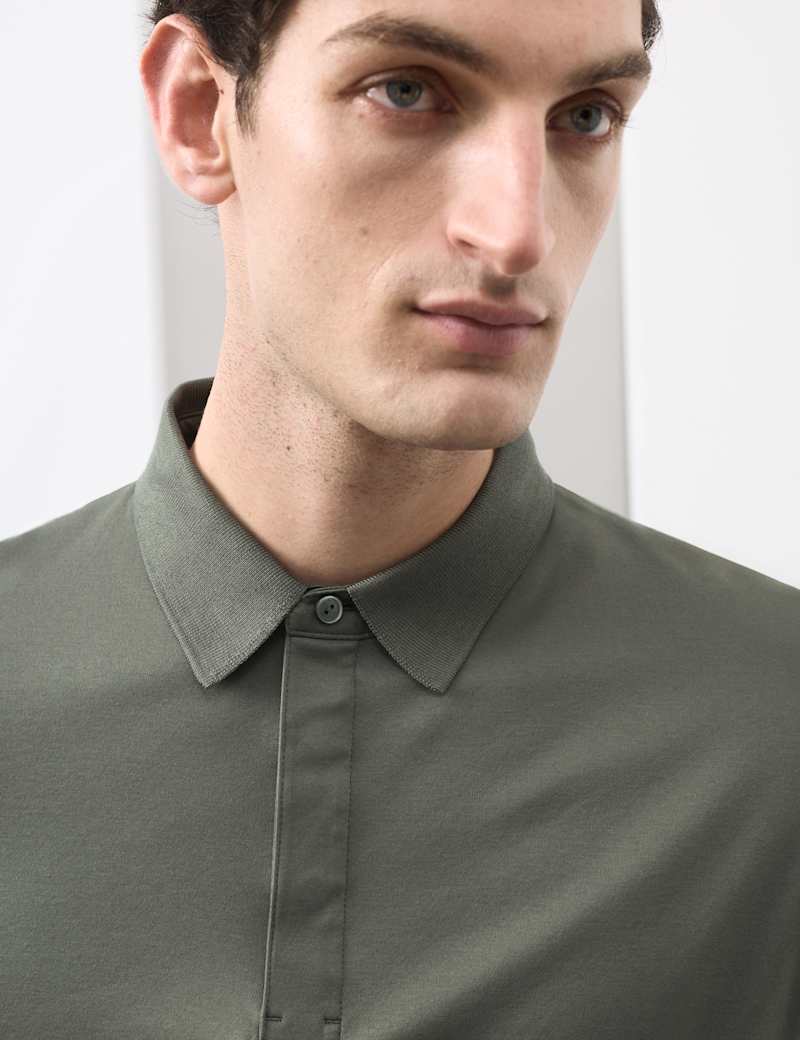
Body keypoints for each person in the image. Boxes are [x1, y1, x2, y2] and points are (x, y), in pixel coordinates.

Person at [2, 2, 798, 1038]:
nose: (517, 232)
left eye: (585, 116)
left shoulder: (774, 732)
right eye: (407, 92)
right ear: (200, 112)